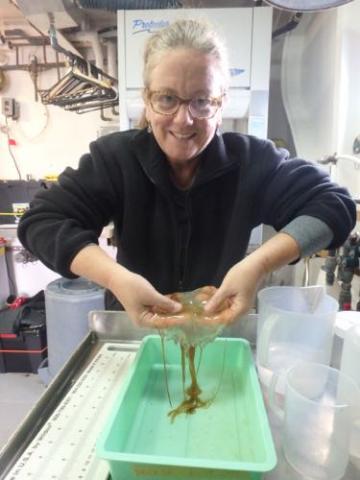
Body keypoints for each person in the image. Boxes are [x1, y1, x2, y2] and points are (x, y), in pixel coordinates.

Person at [18, 19, 356, 329]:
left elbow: (335, 204)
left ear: (220, 104)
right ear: (147, 102)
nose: (184, 120)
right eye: (167, 99)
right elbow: (42, 221)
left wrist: (257, 266)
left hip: (219, 327)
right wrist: (115, 278)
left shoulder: (253, 161)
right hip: (139, 329)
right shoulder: (115, 159)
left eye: (201, 101)